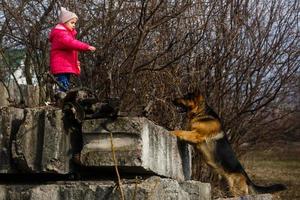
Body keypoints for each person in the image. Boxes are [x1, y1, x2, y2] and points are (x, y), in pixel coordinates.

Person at [49, 7, 96, 96]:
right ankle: (62, 98)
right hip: (61, 65)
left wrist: (76, 63)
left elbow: (71, 53)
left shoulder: (66, 34)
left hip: (64, 64)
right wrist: (86, 47)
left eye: (75, 23)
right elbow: (72, 43)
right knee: (63, 83)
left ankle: (63, 97)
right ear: (64, 23)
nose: (74, 25)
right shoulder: (61, 34)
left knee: (65, 83)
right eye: (72, 22)